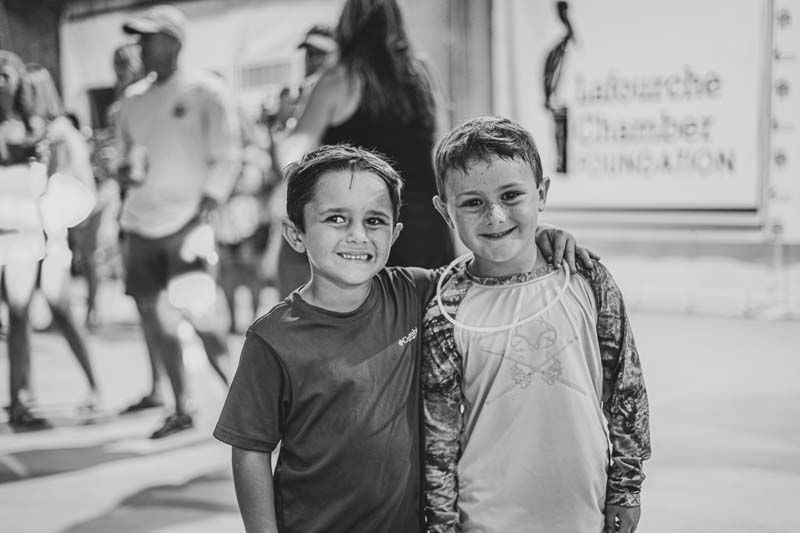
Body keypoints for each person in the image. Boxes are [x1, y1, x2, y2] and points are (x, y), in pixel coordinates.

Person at [213, 144, 592, 533]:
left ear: (394, 234)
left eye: (374, 221)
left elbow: (484, 265)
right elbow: (250, 449)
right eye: (336, 218)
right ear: (296, 234)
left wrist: (536, 236)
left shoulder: (416, 291)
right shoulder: (273, 338)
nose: (357, 236)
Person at [422, 117, 651, 533]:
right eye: (472, 202)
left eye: (512, 195)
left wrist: (626, 488)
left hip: (584, 510)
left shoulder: (586, 278)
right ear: (445, 210)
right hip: (485, 517)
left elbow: (626, 391)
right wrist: (442, 524)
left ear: (541, 193)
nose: (495, 215)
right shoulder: (445, 307)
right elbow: (439, 434)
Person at [269, 0, 454, 298]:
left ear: (346, 26)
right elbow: (442, 147)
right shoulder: (422, 75)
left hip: (366, 229)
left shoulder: (338, 80)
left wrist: (290, 164)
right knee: (429, 322)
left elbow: (297, 145)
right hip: (426, 226)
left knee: (370, 328)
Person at [114, 4, 241, 438]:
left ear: (173, 41)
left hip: (187, 226)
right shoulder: (132, 101)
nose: (141, 47)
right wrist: (122, 172)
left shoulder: (206, 90)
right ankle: (182, 407)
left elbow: (227, 156)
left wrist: (206, 208)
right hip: (139, 225)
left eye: (148, 38)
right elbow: (128, 159)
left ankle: (245, 410)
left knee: (205, 321)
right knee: (156, 319)